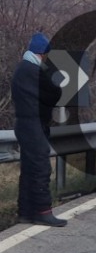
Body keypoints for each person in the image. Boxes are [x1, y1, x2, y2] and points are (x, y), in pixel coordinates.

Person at [10, 32, 67, 226]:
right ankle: (43, 211)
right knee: (41, 168)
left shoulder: (22, 69)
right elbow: (54, 92)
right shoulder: (33, 70)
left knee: (29, 169)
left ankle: (25, 212)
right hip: (33, 125)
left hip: (23, 124)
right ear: (42, 53)